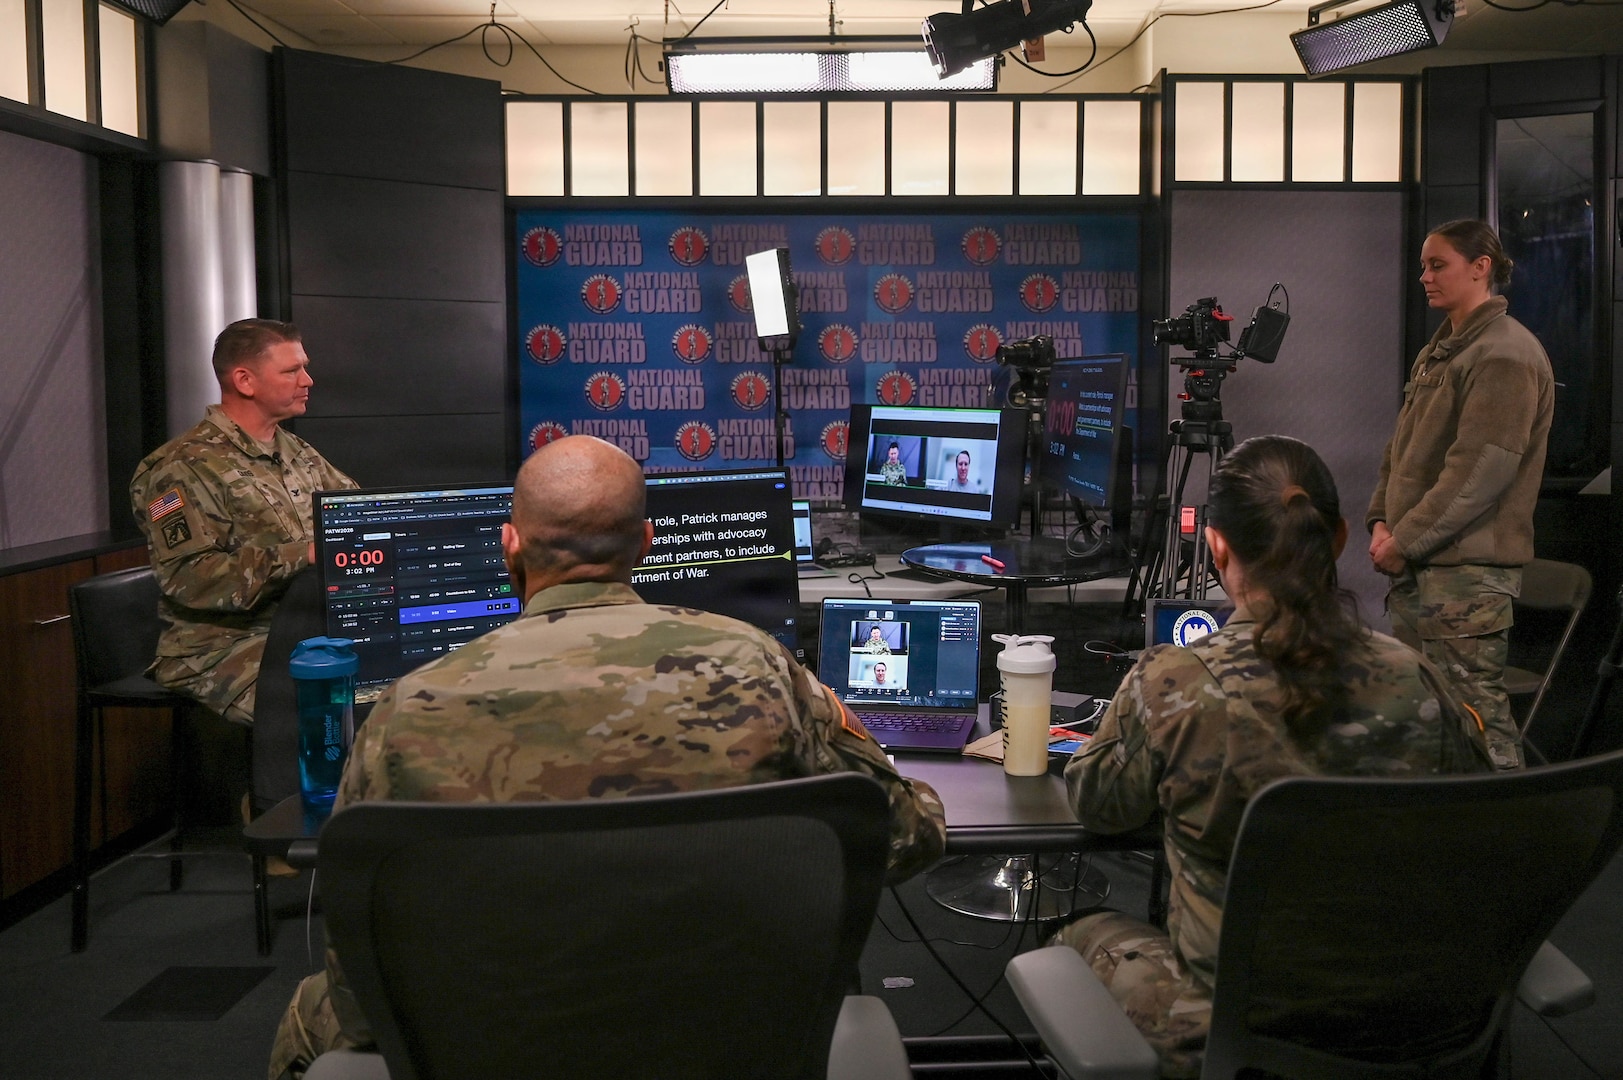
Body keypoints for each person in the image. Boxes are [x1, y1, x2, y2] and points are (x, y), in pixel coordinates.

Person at [268, 435, 946, 1080]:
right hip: (725, 1038)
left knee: (307, 1016)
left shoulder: (407, 710)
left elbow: (365, 983)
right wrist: (842, 720)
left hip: (498, 1043)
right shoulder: (757, 666)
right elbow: (904, 840)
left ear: (509, 545)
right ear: (646, 543)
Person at [1053, 435, 1491, 1079]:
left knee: (1075, 932)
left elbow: (1100, 806)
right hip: (1418, 1020)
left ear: (1218, 545)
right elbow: (1479, 814)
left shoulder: (1175, 682)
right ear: (1340, 539)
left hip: (1242, 1026)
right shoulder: (1419, 677)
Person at [1368, 219, 1554, 770]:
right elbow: (1400, 451)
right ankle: (1441, 844)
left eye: (1437, 264)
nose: (1425, 276)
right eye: (1423, 265)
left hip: (1464, 572)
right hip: (1421, 566)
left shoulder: (1503, 353)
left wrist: (1405, 539)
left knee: (1476, 722)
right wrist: (1381, 520)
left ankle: (1509, 846)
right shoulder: (1444, 349)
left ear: (1481, 268)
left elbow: (1479, 473)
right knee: (1425, 721)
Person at [129, 319, 356, 726]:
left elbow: (354, 513)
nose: (308, 380)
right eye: (291, 370)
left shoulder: (295, 451)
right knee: (329, 707)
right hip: (220, 646)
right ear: (245, 381)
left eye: (303, 367)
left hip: (301, 628)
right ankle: (280, 793)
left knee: (399, 678)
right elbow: (189, 577)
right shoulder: (183, 467)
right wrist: (302, 555)